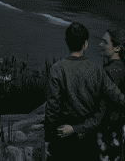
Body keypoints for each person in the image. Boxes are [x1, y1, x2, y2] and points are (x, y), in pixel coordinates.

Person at [46, 22, 125, 159]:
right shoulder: (98, 71)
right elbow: (118, 98)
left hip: (63, 135)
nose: (100, 44)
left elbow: (52, 108)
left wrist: (48, 138)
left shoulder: (56, 69)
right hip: (89, 139)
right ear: (86, 44)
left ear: (67, 42)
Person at [98, 28, 125, 161]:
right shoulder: (122, 68)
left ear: (117, 48)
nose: (100, 44)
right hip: (119, 132)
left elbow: (99, 108)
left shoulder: (107, 72)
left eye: (105, 42)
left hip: (106, 133)